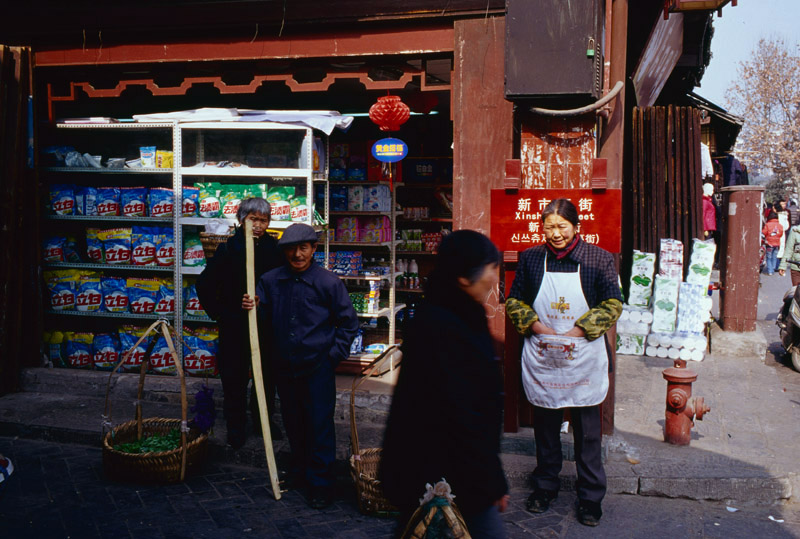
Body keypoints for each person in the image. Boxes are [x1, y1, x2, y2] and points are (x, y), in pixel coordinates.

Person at [380, 230, 509, 539]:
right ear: (465, 277)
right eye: (492, 268)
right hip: (444, 473)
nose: (495, 277)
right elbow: (463, 413)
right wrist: (491, 480)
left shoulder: (458, 313)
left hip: (449, 467)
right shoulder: (444, 325)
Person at [505, 198, 622, 527]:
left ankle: (590, 498)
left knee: (587, 433)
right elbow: (515, 301)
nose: (555, 233)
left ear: (576, 227)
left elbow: (613, 303)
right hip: (544, 357)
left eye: (561, 226)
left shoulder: (598, 259)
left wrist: (578, 330)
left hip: (583, 358)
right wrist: (537, 327)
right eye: (549, 227)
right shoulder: (531, 259)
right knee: (545, 428)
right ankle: (545, 486)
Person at [244, 223, 358, 509]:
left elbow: (348, 324)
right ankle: (300, 472)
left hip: (317, 365)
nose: (297, 254)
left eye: (303, 248)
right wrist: (252, 305)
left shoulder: (329, 282)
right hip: (285, 365)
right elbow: (261, 313)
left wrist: (332, 356)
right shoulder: (270, 280)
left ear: (314, 249)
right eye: (292, 249)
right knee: (294, 423)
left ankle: (321, 485)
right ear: (285, 252)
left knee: (319, 426)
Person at [196, 198, 283, 450]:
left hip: (265, 327)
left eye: (263, 220)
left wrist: (262, 301)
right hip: (235, 326)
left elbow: (280, 286)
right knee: (234, 377)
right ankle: (236, 424)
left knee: (265, 377)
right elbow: (205, 285)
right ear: (241, 220)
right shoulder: (228, 249)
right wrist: (225, 312)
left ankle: (263, 420)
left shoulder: (273, 249)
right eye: (253, 219)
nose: (258, 225)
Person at [762, 211, 784, 276]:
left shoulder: (768, 225)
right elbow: (781, 234)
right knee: (774, 256)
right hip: (777, 243)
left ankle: (770, 271)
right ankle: (773, 268)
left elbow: (764, 233)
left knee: (769, 257)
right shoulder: (780, 225)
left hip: (769, 243)